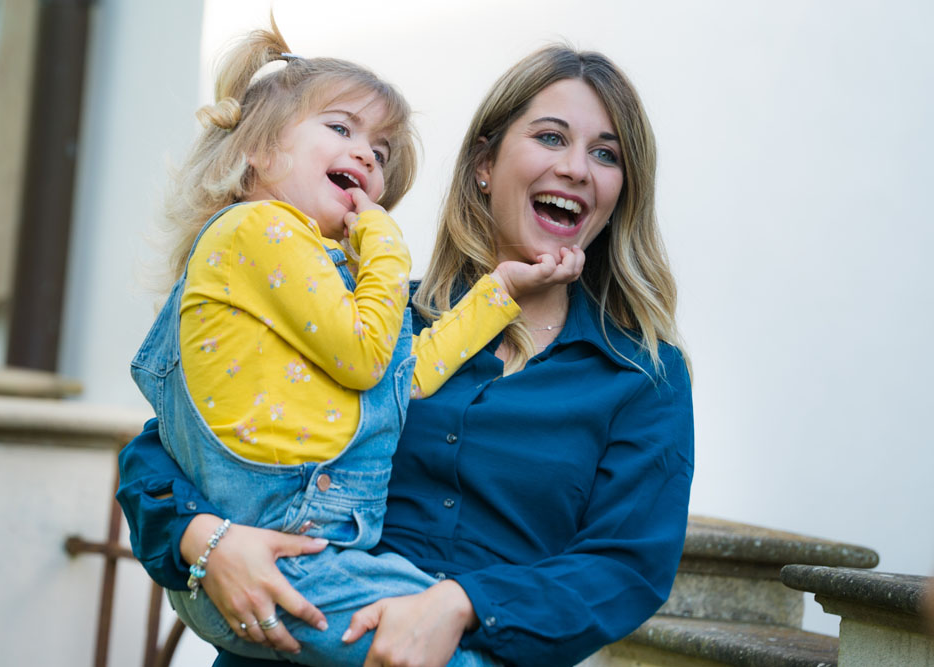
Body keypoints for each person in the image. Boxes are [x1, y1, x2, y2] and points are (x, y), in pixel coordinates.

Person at [118, 39, 694, 667]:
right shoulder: (375, 313)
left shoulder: (643, 375)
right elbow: (169, 447)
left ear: (620, 190)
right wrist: (206, 541)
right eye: (551, 138)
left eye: (605, 154)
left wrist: (461, 604)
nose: (577, 169)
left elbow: (625, 567)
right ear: (485, 164)